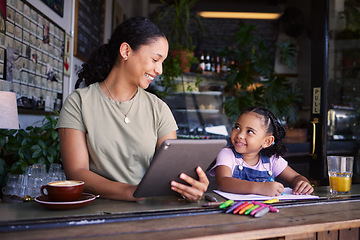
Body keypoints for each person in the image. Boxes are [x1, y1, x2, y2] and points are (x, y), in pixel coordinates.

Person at [56, 17, 208, 202]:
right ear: (126, 51)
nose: (159, 70)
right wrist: (131, 192)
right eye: (155, 59)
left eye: (162, 62)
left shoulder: (159, 109)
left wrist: (189, 187)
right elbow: (77, 173)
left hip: (147, 214)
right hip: (95, 212)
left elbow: (170, 174)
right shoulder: (79, 103)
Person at [209, 106, 313, 197]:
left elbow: (295, 177)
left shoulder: (271, 159)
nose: (239, 135)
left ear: (267, 141)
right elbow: (223, 181)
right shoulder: (227, 154)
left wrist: (302, 183)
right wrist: (260, 188)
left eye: (249, 131)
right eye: (237, 127)